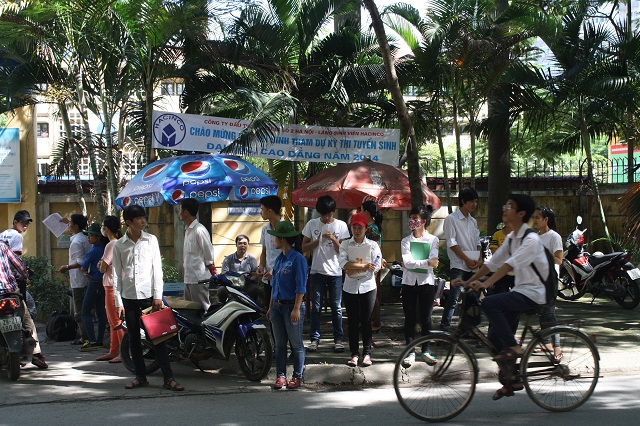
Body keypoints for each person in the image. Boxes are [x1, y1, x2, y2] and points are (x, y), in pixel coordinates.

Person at [455, 194, 549, 401]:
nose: (505, 209)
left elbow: (509, 265)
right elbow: (492, 263)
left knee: (490, 303)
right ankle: (512, 380)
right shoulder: (512, 238)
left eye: (510, 206)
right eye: (505, 205)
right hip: (520, 291)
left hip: (533, 293)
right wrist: (469, 281)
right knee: (494, 338)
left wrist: (485, 284)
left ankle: (514, 346)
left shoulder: (530, 239)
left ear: (521, 213)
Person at [112, 204, 184, 391]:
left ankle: (168, 378)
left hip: (149, 297)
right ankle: (140, 376)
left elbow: (157, 270)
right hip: (128, 296)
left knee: (158, 337)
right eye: (139, 218)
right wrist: (118, 302)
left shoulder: (151, 240)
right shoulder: (119, 245)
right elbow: (116, 275)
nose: (143, 221)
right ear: (129, 222)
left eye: (143, 217)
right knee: (134, 338)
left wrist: (157, 295)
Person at [0, 210, 47, 368]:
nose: (25, 226)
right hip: (10, 289)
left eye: (27, 223)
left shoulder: (3, 236)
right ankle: (36, 353)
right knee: (27, 316)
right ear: (15, 222)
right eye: (23, 222)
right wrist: (24, 275)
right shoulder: (9, 242)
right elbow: (18, 263)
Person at [302, 195, 348, 353]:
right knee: (316, 307)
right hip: (317, 271)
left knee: (336, 307)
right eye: (322, 214)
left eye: (327, 214)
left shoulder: (341, 225)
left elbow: (343, 251)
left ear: (333, 212)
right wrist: (319, 240)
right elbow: (303, 247)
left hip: (335, 272)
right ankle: (314, 339)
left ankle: (338, 339)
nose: (325, 218)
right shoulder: (312, 224)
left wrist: (333, 239)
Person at [266, 221, 308, 390]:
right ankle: (281, 376)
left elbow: (301, 286)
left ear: (282, 239)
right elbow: (274, 285)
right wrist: (270, 307)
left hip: (291, 307)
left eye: (275, 237)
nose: (273, 240)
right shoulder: (279, 259)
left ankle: (297, 376)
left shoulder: (298, 259)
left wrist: (296, 308)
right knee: (280, 344)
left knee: (296, 344)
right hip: (277, 307)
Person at [339, 212, 382, 367]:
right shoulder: (345, 244)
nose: (357, 231)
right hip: (350, 287)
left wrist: (354, 268)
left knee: (366, 321)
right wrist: (363, 266)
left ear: (365, 228)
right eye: (354, 227)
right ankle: (354, 353)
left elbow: (376, 264)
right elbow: (343, 264)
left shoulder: (373, 245)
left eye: (360, 228)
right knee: (352, 321)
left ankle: (367, 353)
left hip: (368, 286)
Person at [400, 205, 440, 367]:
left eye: (415, 218)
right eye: (410, 218)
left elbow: (434, 262)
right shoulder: (405, 241)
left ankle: (426, 350)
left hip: (426, 283)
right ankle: (410, 352)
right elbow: (407, 262)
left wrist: (415, 264)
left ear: (424, 221)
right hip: (409, 282)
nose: (412, 221)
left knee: (426, 318)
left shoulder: (433, 240)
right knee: (409, 317)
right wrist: (426, 262)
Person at [439, 187, 482, 331]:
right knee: (453, 298)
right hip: (459, 265)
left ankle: (467, 329)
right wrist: (466, 259)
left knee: (471, 299)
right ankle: (445, 328)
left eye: (476, 201)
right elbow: (452, 243)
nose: (474, 204)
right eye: (471, 201)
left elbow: (478, 242)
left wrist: (479, 259)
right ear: (463, 201)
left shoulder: (473, 221)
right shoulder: (451, 219)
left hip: (473, 265)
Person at [532, 206, 563, 359]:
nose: (535, 220)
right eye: (534, 217)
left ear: (546, 219)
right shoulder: (535, 236)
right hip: (537, 279)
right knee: (542, 312)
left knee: (550, 314)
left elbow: (559, 259)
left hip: (550, 279)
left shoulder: (554, 237)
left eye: (538, 217)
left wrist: (542, 254)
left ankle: (557, 347)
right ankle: (546, 343)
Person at [58, 214, 92, 345]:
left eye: (70, 223)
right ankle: (89, 336)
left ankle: (86, 337)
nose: (68, 225)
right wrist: (69, 221)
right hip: (86, 279)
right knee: (86, 310)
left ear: (76, 226)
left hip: (79, 280)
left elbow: (80, 262)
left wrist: (66, 267)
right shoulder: (85, 238)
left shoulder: (77, 242)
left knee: (79, 312)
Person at [179, 198, 216, 312]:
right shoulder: (187, 230)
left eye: (180, 210)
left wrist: (211, 271)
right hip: (188, 278)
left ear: (186, 212)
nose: (179, 213)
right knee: (190, 311)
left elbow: (209, 254)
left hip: (199, 279)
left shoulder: (199, 230)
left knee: (202, 310)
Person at [96, 215, 124, 363]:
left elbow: (102, 267)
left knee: (115, 320)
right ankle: (114, 350)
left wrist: (101, 264)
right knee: (113, 320)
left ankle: (123, 352)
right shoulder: (121, 243)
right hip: (116, 284)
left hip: (111, 285)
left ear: (106, 229)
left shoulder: (111, 244)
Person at [79, 223, 109, 351]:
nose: (88, 238)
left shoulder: (93, 251)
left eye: (91, 236)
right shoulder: (105, 248)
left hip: (93, 283)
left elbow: (83, 267)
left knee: (85, 312)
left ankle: (91, 340)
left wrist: (86, 271)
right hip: (103, 283)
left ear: (98, 237)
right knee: (101, 313)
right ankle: (99, 339)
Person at [361, 200, 384, 333]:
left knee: (372, 294)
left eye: (361, 210)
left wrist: (375, 267)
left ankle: (376, 322)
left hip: (372, 265)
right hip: (366, 264)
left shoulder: (372, 229)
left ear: (366, 212)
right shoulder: (370, 227)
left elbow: (377, 249)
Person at [257, 195, 283, 310]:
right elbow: (264, 251)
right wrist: (261, 266)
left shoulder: (286, 228)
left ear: (270, 211)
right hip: (267, 278)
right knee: (269, 310)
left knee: (280, 310)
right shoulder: (265, 229)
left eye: (262, 209)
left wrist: (274, 270)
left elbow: (288, 255)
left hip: (282, 277)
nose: (261, 212)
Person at [218, 234, 260, 303]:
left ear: (248, 245)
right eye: (240, 243)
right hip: (231, 285)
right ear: (236, 245)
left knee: (254, 289)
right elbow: (224, 273)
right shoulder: (228, 259)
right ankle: (223, 306)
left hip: (246, 284)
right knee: (221, 290)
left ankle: (249, 307)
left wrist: (251, 278)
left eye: (245, 243)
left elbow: (254, 275)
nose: (242, 245)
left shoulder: (252, 260)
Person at [488, 222, 515, 294]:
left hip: (517, 272)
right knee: (500, 294)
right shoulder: (497, 234)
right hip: (501, 271)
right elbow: (494, 251)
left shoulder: (520, 234)